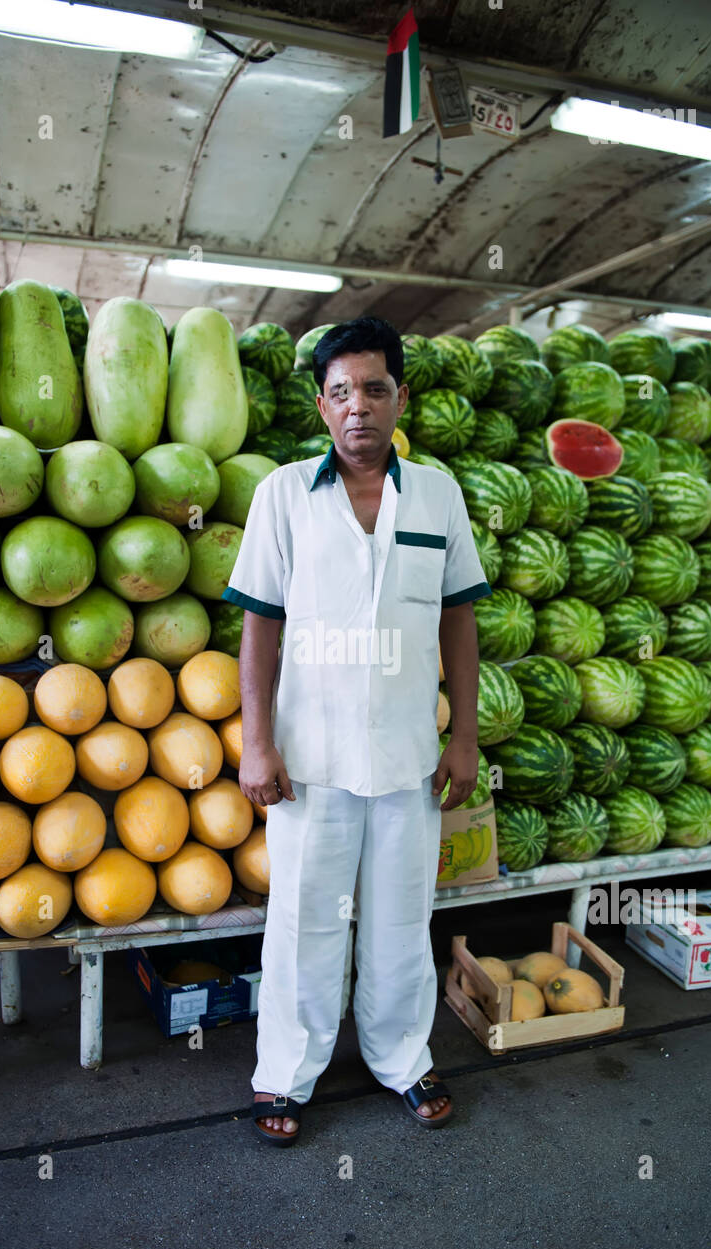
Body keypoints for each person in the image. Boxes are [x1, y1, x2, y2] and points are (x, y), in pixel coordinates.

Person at [221, 316, 491, 1146]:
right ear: (320, 407)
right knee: (303, 922)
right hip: (312, 759)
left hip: (409, 753)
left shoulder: (437, 494)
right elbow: (258, 628)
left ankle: (402, 1058)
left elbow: (458, 620)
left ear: (399, 396)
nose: (358, 408)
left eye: (374, 389)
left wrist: (465, 736)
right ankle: (285, 1075)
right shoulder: (281, 498)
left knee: (401, 919)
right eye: (341, 393)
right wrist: (256, 742)